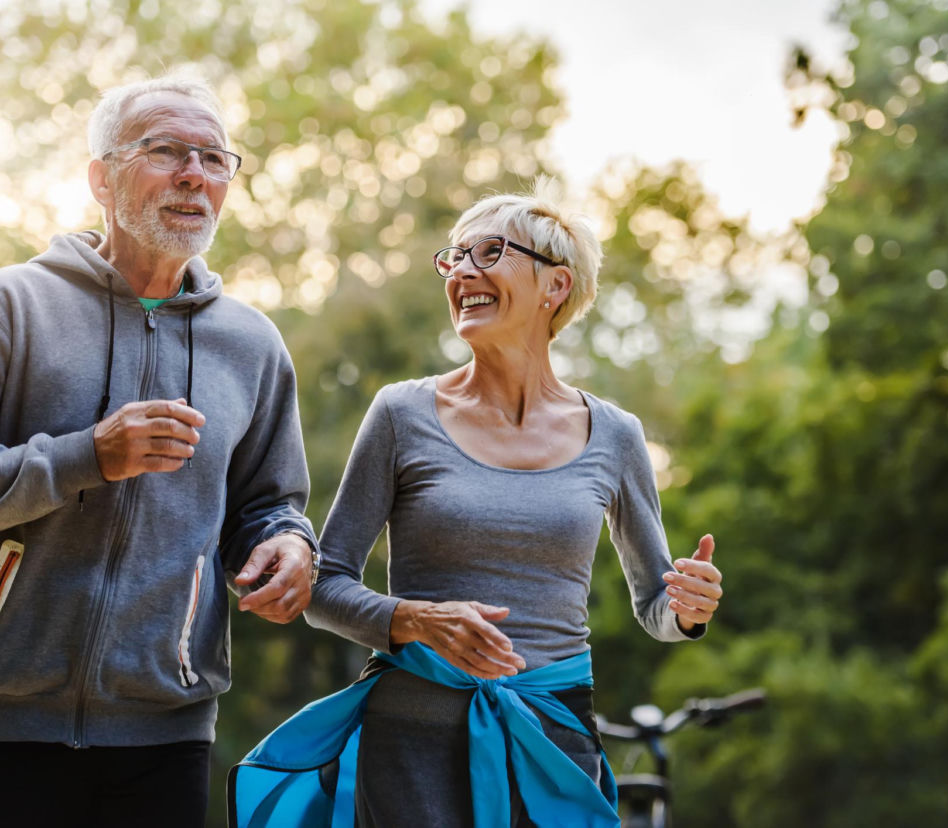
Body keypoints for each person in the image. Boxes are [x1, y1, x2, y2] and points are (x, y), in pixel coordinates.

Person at [229, 179, 722, 827]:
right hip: (412, 740)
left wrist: (688, 608)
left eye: (489, 253)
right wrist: (416, 620)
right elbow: (323, 586)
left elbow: (655, 606)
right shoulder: (402, 414)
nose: (463, 271)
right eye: (454, 257)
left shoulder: (617, 436)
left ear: (556, 286)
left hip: (553, 737)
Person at [0, 73, 319, 828]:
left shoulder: (251, 344)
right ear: (101, 179)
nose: (194, 175)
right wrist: (87, 457)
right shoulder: (17, 308)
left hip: (166, 732)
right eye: (167, 150)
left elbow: (271, 503)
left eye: (214, 159)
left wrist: (288, 545)